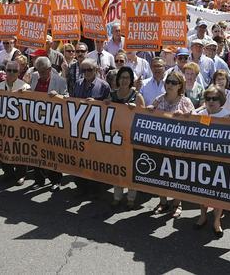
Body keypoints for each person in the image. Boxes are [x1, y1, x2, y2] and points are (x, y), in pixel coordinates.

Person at [193, 87, 230, 238]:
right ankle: (203, 216)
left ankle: (217, 221)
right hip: (202, 159)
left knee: (218, 192)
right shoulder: (199, 114)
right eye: (208, 98)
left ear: (221, 101)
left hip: (221, 161)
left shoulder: (228, 116)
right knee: (202, 189)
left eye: (214, 99)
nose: (211, 102)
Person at [149, 71, 195, 218]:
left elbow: (195, 122)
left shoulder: (186, 102)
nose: (169, 84)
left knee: (177, 175)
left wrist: (185, 116)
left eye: (174, 82)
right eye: (168, 81)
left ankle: (177, 203)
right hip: (160, 144)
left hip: (179, 146)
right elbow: (148, 116)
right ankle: (162, 202)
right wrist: (148, 109)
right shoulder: (158, 99)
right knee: (159, 174)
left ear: (180, 85)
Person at [72, 58, 111, 195]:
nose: (86, 73)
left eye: (89, 70)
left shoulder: (104, 86)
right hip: (79, 128)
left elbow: (109, 107)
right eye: (84, 70)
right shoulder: (77, 83)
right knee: (80, 159)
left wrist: (96, 103)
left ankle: (95, 188)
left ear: (95, 70)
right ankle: (80, 186)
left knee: (95, 159)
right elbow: (72, 102)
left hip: (96, 129)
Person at [29, 57, 68, 189]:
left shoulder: (60, 81)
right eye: (39, 71)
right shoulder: (34, 76)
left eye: (43, 72)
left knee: (52, 152)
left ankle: (55, 180)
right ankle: (39, 180)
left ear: (50, 69)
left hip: (53, 122)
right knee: (36, 152)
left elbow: (67, 99)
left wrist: (58, 96)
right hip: (36, 121)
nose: (40, 74)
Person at [109, 67, 145, 209]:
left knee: (130, 169)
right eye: (122, 77)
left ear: (131, 81)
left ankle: (131, 197)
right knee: (117, 167)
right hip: (116, 138)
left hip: (131, 139)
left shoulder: (137, 96)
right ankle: (117, 196)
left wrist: (135, 110)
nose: (124, 80)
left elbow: (143, 116)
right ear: (118, 79)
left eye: (127, 78)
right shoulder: (112, 95)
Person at [0, 60, 30, 184]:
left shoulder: (25, 87)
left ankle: (21, 174)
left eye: (14, 71)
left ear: (19, 72)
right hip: (3, 124)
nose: (11, 73)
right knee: (4, 149)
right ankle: (8, 172)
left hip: (19, 125)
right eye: (9, 70)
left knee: (19, 149)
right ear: (5, 72)